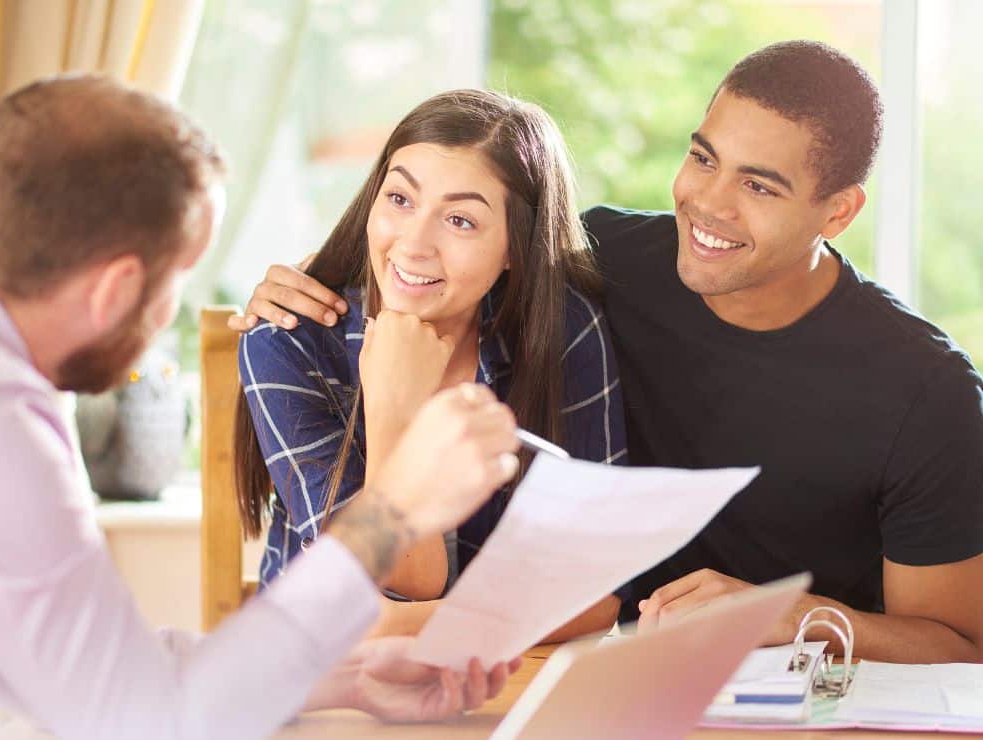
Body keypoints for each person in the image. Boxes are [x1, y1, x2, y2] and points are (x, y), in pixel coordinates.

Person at [0, 76, 524, 739]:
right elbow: (145, 723)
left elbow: (95, 673)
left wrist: (350, 679)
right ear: (115, 288)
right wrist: (390, 512)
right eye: (177, 280)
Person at [228, 41, 983, 663]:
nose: (708, 204)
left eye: (759, 185)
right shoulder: (603, 269)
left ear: (839, 210)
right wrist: (294, 307)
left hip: (790, 692)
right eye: (703, 157)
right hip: (582, 673)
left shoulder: (927, 393)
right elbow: (433, 252)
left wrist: (791, 612)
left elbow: (962, 646)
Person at [233, 89, 626, 640]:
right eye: (399, 199)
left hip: (499, 677)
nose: (414, 244)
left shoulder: (561, 330)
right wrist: (397, 406)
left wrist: (403, 626)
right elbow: (403, 578)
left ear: (516, 245)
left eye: (460, 220)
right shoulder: (291, 339)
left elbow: (598, 595)